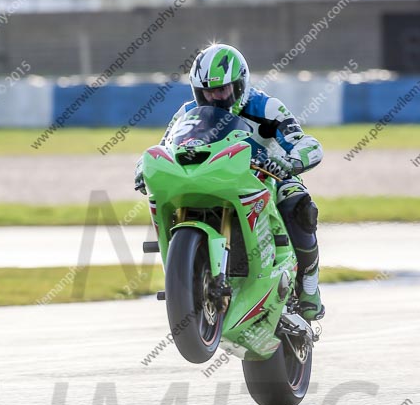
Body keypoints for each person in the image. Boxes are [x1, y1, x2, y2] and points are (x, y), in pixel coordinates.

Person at [134, 43, 324, 321]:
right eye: (207, 92)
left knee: (297, 201)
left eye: (222, 90)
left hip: (265, 178)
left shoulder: (266, 107)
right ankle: (193, 278)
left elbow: (305, 142)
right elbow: (165, 147)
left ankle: (308, 287)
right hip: (211, 177)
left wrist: (290, 162)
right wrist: (143, 169)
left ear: (240, 84)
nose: (215, 98)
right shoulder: (186, 113)